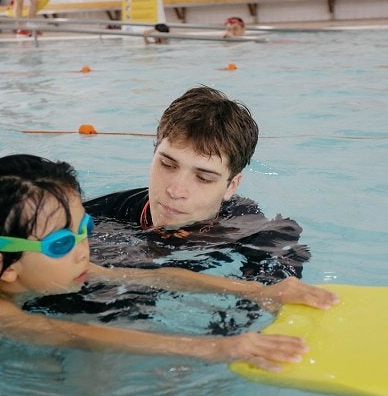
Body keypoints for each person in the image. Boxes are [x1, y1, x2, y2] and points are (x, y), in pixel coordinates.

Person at [0, 154, 338, 371]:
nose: (84, 250)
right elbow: (75, 334)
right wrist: (222, 348)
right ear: (5, 268)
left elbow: (157, 275)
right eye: (62, 244)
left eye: (85, 230)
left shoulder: (36, 264)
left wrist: (260, 291)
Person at [27, 87, 311, 334]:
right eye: (167, 164)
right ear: (153, 154)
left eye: (203, 177)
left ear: (231, 186)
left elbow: (270, 301)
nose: (176, 190)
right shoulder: (96, 218)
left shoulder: (255, 229)